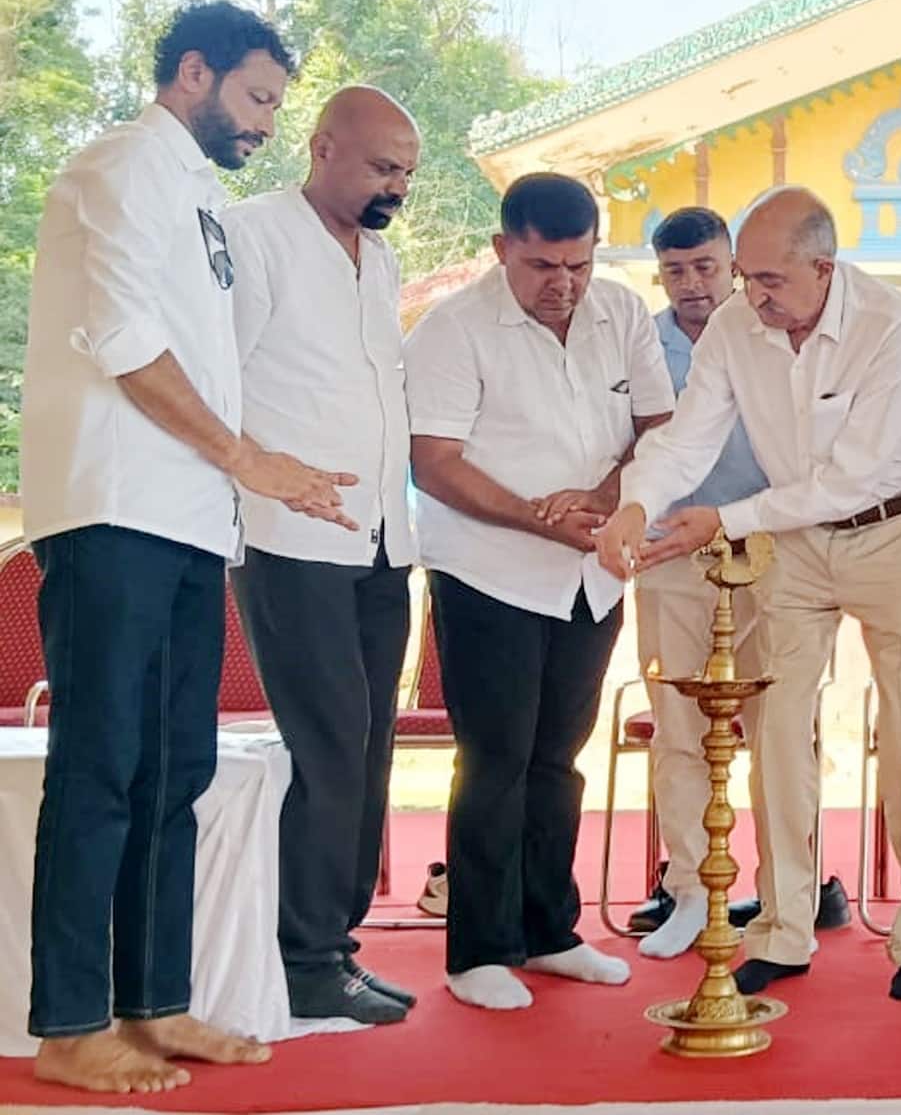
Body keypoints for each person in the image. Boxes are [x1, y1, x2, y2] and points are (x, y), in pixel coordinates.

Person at [20, 0, 350, 1093]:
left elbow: (210, 365)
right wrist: (246, 457)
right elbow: (121, 340)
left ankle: (153, 1002)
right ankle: (70, 1023)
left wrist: (263, 467)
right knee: (101, 765)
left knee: (175, 770)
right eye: (256, 97)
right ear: (194, 72)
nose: (266, 123)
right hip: (113, 506)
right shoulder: (120, 166)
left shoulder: (204, 197)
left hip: (193, 517)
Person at [596, 186, 901, 1002]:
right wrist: (638, 504)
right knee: (780, 725)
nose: (751, 296)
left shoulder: (887, 320)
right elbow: (687, 437)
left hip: (895, 531)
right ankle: (786, 925)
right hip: (793, 541)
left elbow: (855, 475)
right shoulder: (737, 324)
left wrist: (725, 518)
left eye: (768, 280)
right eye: (746, 279)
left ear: (823, 267)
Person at [405, 172, 674, 1010]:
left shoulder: (622, 313)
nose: (563, 283)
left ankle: (551, 931)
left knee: (559, 757)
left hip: (592, 573)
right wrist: (537, 516)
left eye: (579, 265)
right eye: (542, 266)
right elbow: (434, 462)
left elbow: (659, 429)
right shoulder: (452, 329)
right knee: (496, 761)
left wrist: (602, 498)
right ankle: (479, 951)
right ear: (502, 249)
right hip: (489, 572)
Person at [226, 86, 422, 1025]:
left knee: (372, 744)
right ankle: (302, 958)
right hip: (290, 538)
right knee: (330, 742)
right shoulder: (252, 234)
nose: (398, 189)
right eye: (383, 168)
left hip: (382, 539)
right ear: (322, 147)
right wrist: (260, 475)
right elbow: (212, 383)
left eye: (407, 173)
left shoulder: (379, 260)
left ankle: (334, 946)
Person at [623, 206, 773, 959]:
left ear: (733, 265)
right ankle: (689, 890)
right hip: (672, 558)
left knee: (780, 732)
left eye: (706, 267)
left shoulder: (771, 330)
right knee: (679, 732)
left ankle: (787, 894)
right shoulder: (642, 345)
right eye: (675, 271)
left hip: (771, 551)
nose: (692, 284)